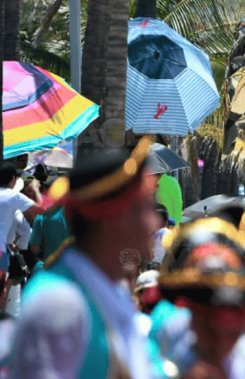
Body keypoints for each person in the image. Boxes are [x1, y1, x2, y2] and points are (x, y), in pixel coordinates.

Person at [8, 137, 159, 378]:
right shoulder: (58, 302)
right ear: (116, 218)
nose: (153, 222)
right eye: (144, 208)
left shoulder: (113, 292)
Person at [155, 215, 245, 378]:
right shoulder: (161, 365)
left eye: (232, 325)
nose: (220, 335)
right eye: (208, 323)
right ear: (192, 318)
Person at [0, 162, 42, 307]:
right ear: (12, 179)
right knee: (2, 292)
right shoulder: (13, 196)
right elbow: (41, 210)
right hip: (1, 250)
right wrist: (36, 190)